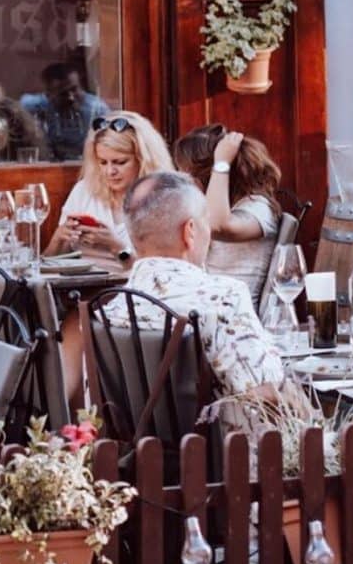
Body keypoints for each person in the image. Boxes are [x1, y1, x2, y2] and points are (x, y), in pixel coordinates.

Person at [109, 171, 303, 430]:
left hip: (138, 456)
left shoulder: (112, 307)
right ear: (190, 231)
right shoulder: (224, 297)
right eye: (205, 223)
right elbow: (266, 391)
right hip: (221, 459)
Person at [46, 111, 173, 268]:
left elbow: (158, 274)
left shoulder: (163, 200)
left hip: (133, 289)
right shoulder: (85, 190)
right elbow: (48, 263)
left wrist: (116, 247)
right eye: (103, 162)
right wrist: (59, 239)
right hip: (83, 288)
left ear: (143, 160)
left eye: (119, 162)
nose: (110, 171)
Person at [173, 124, 281, 300]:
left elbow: (217, 225)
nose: (181, 179)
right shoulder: (212, 207)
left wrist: (222, 163)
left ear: (205, 174)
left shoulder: (258, 207)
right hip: (203, 305)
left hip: (232, 314)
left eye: (185, 172)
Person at [20, 63, 110, 162]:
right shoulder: (36, 105)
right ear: (48, 94)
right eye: (63, 93)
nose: (71, 97)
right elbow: (21, 104)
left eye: (74, 89)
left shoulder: (97, 109)